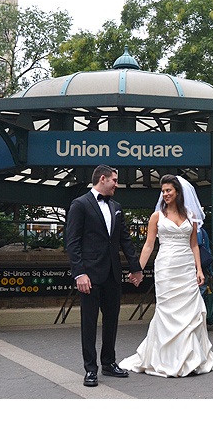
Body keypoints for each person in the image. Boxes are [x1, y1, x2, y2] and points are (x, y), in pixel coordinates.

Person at [119, 174, 213, 377]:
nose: (165, 194)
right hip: (166, 267)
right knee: (167, 311)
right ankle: (164, 358)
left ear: (178, 192)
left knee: (190, 313)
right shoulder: (156, 217)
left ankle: (190, 357)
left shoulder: (190, 216)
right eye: (163, 191)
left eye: (169, 190)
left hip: (186, 268)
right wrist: (138, 269)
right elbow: (149, 245)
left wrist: (199, 269)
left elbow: (194, 245)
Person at [65, 164, 143, 388]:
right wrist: (79, 273)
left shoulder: (117, 206)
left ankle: (108, 363)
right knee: (88, 323)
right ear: (102, 178)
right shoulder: (79, 204)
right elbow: (72, 242)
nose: (117, 185)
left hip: (112, 275)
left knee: (112, 322)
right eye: (114, 180)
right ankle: (90, 369)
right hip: (89, 275)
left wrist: (136, 268)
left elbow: (125, 240)